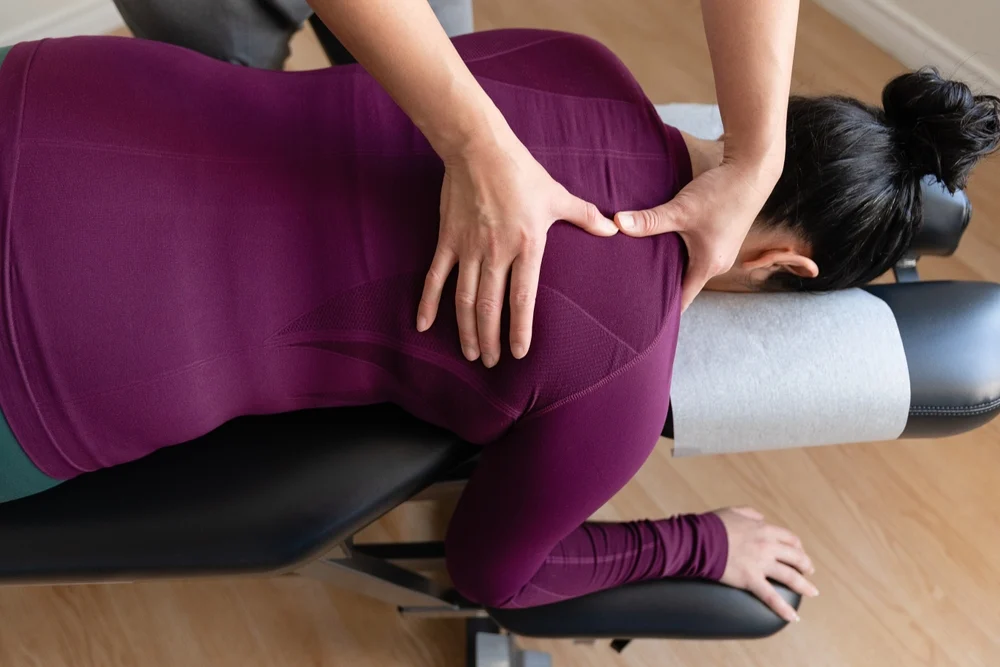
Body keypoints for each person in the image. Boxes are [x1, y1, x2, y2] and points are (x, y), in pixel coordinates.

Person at [0, 30, 997, 621]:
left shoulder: (581, 59)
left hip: (59, 94)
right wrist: (698, 542)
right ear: (788, 268)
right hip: (56, 359)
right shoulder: (624, 381)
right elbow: (495, 574)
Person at [111, 0, 801, 369]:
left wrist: (759, 153)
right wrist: (475, 143)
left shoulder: (584, 62)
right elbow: (498, 570)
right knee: (224, 150)